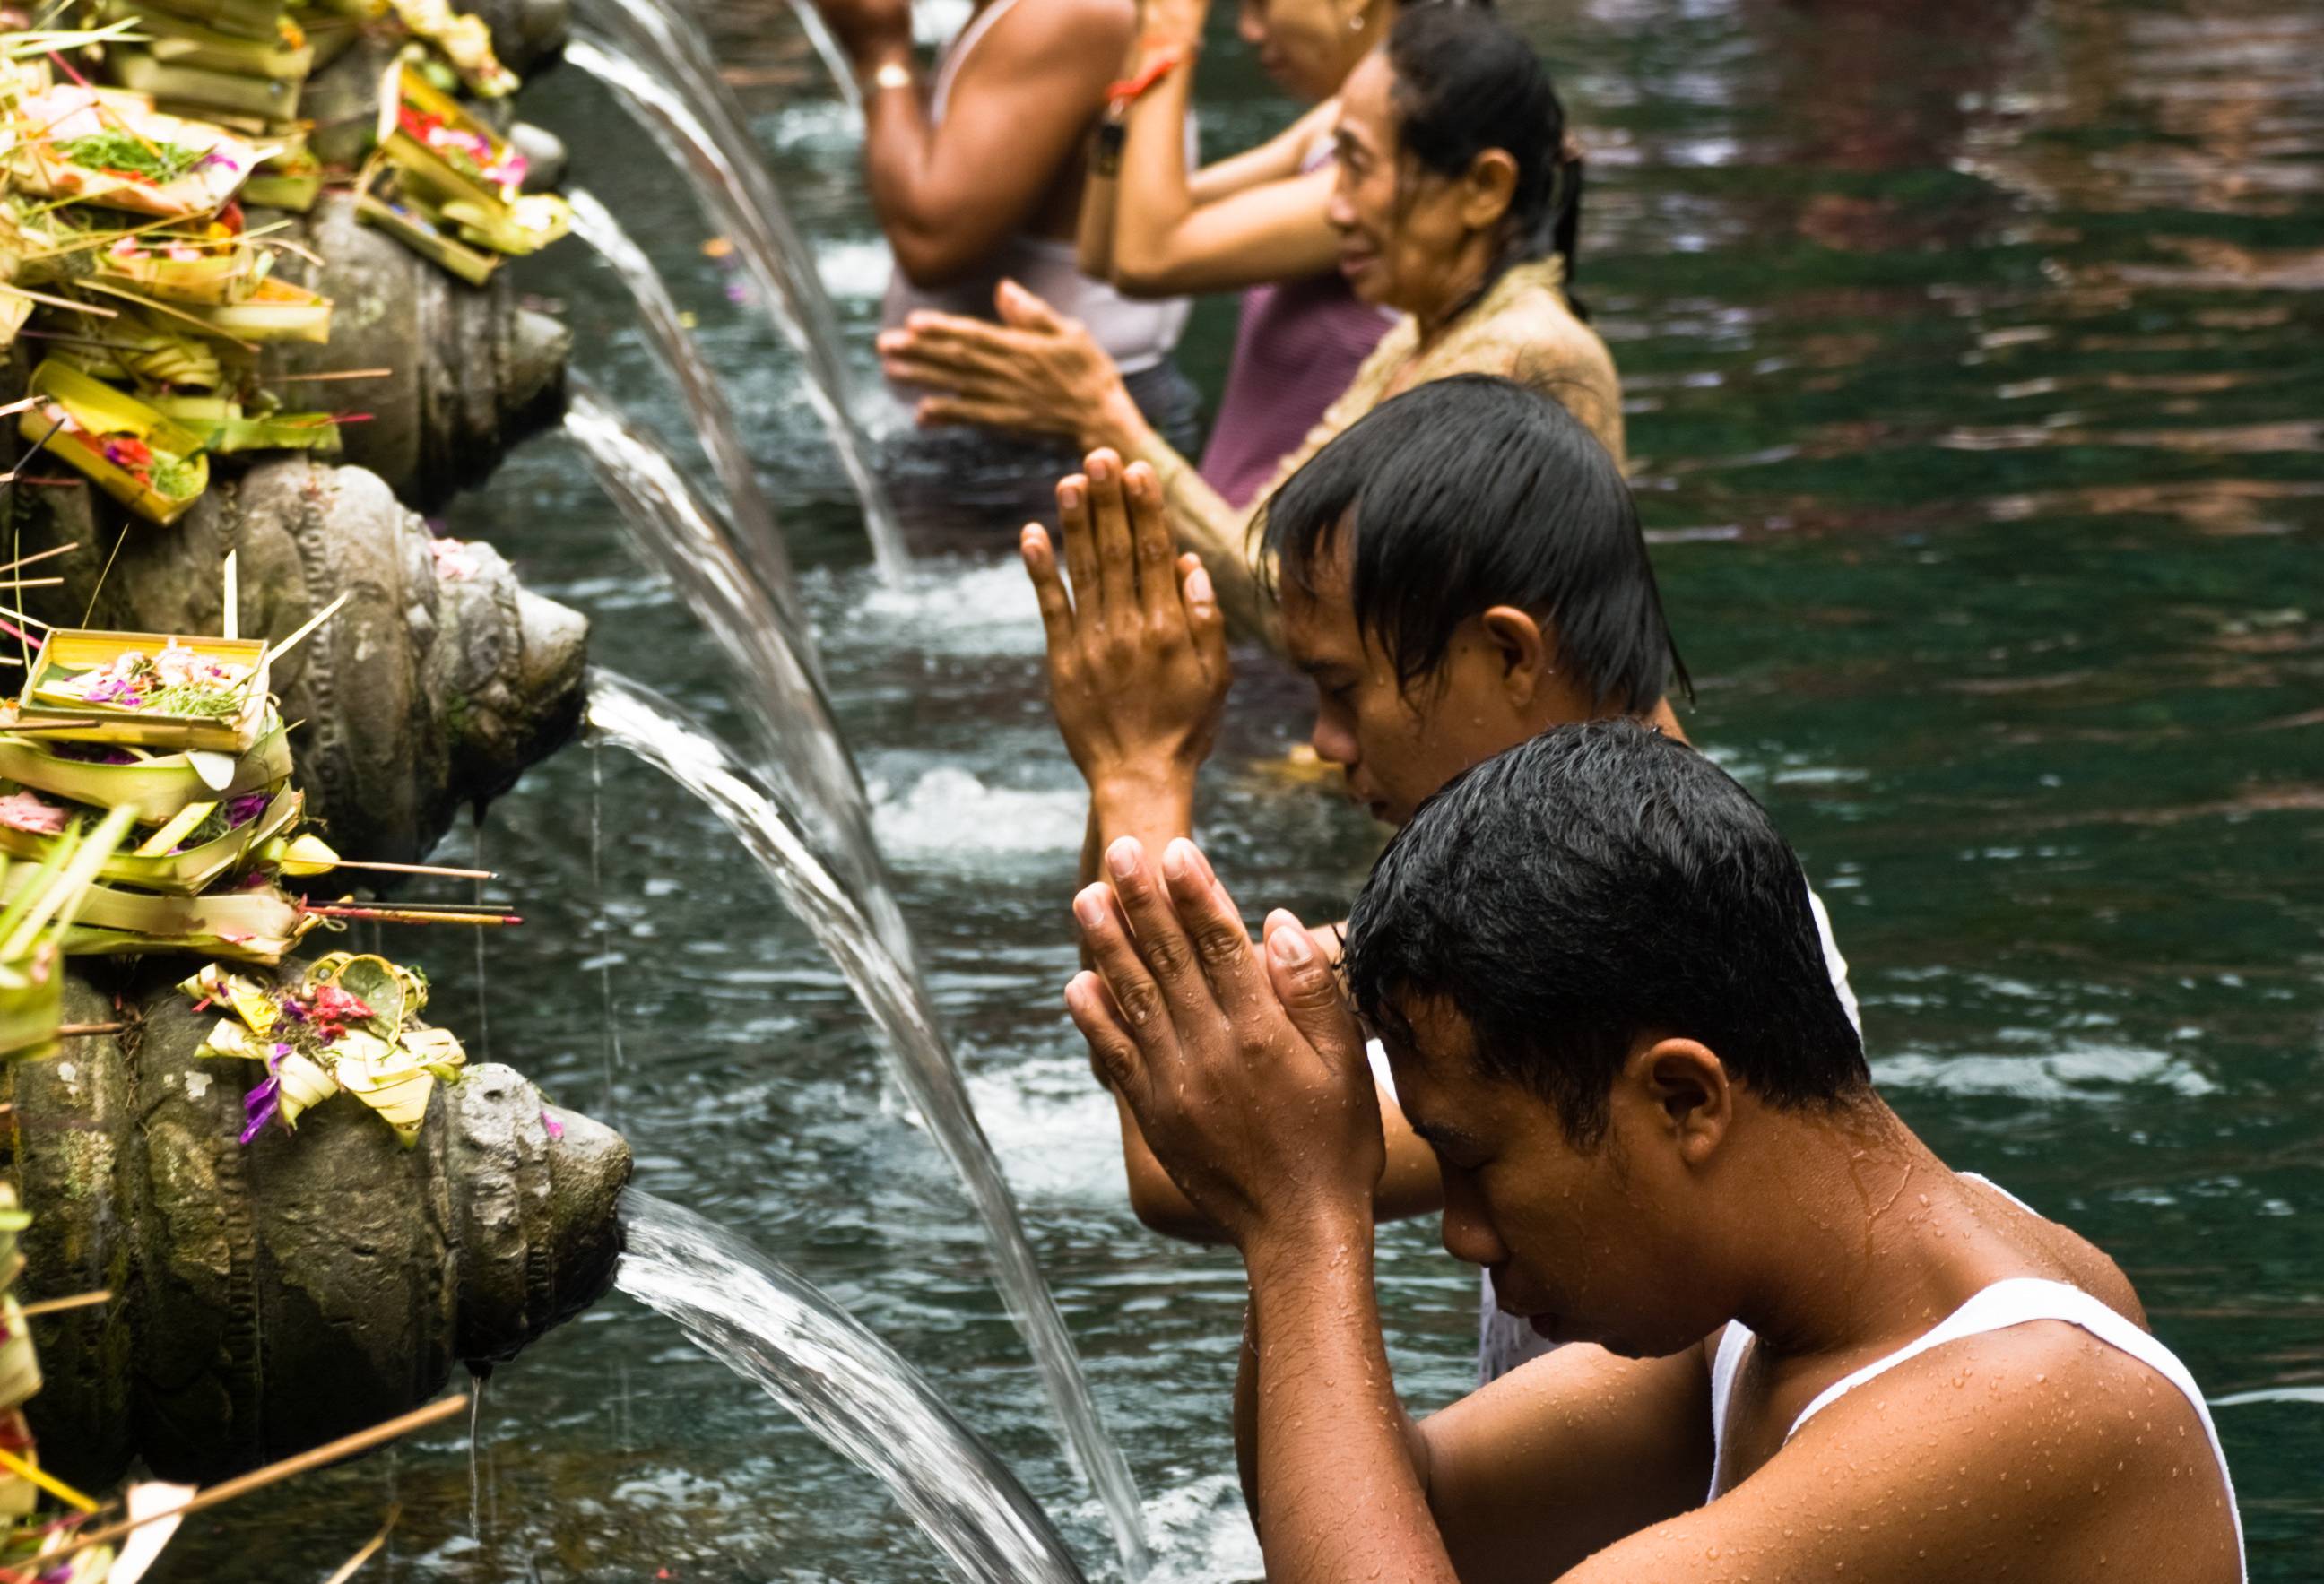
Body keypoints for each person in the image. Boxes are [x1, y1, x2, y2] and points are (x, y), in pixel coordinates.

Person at [1062, 723, 2245, 1582]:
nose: (1462, 1232)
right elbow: (1404, 1509)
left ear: (1683, 1098)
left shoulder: (2030, 1402)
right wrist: (1298, 1175)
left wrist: (1303, 1224)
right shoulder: (1771, 1325)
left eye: (1475, 1158)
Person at [1024, 375, 1854, 1383]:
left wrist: (1141, 770)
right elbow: (1190, 1047)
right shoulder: (1566, 884)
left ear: (1508, 653)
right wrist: (1131, 767)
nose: (1326, 742)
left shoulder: (1630, 936)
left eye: (1344, 688)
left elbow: (1187, 1159)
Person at [887, 4, 1618, 635]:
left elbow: (1302, 604)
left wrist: (1100, 415)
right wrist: (1131, 74)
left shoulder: (1519, 351)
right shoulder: (1423, 333)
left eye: (1356, 168)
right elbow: (1110, 245)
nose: (1336, 208)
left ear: (1485, 189)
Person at [811, 0, 1200, 460]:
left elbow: (931, 244)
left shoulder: (1064, 13)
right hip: (1007, 433)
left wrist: (881, 53)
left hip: (1045, 443)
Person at [1075, 0, 1406, 509]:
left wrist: (1169, 41)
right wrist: (1139, 64)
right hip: (1235, 528)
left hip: (1288, 543)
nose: (1249, 30)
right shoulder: (1333, 123)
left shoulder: (1400, 156)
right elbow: (1107, 246)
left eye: (1261, 3)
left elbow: (1148, 259)